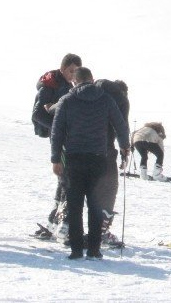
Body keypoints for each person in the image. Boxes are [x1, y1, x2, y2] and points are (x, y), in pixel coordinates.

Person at [50, 68, 129, 260]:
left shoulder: (67, 100)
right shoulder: (106, 99)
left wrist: (55, 159)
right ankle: (94, 250)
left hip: (74, 159)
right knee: (95, 205)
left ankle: (76, 250)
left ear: (75, 82)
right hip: (98, 158)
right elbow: (120, 125)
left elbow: (57, 131)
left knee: (75, 206)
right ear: (92, 80)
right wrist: (125, 147)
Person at [30, 53, 80, 240]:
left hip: (65, 139)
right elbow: (36, 114)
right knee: (66, 179)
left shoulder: (67, 85)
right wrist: (59, 128)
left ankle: (54, 221)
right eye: (70, 71)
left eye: (76, 72)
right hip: (61, 139)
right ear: (63, 68)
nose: (73, 75)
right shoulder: (50, 84)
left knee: (64, 179)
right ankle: (61, 222)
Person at [92, 78, 130, 246]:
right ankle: (101, 231)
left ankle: (64, 224)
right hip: (105, 151)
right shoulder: (120, 99)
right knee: (109, 188)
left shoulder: (93, 96)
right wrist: (124, 152)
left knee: (78, 187)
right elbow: (122, 126)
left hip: (80, 149)